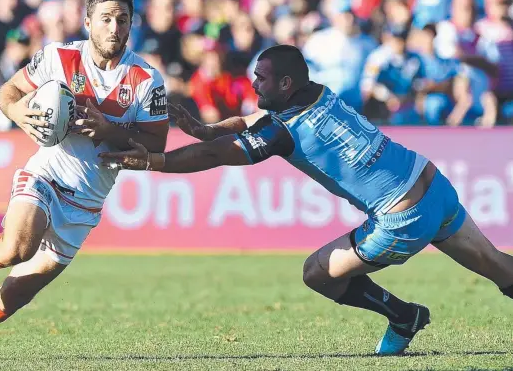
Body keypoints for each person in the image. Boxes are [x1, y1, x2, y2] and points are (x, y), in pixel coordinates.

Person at [101, 44, 513, 355]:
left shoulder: (285, 129)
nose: (253, 83)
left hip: (402, 219)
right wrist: (205, 128)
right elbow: (249, 122)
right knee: (499, 267)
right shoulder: (316, 92)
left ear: (284, 84)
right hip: (432, 183)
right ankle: (410, 317)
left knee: (317, 273)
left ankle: (403, 317)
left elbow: (218, 155)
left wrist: (153, 160)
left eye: (260, 78)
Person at [0, 0, 169, 361]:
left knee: (17, 295)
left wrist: (110, 130)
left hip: (86, 201)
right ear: (88, 23)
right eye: (105, 19)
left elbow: (157, 143)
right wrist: (17, 113)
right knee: (17, 248)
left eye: (123, 19)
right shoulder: (59, 57)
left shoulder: (147, 80)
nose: (114, 27)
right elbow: (9, 91)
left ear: (131, 23)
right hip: (46, 173)